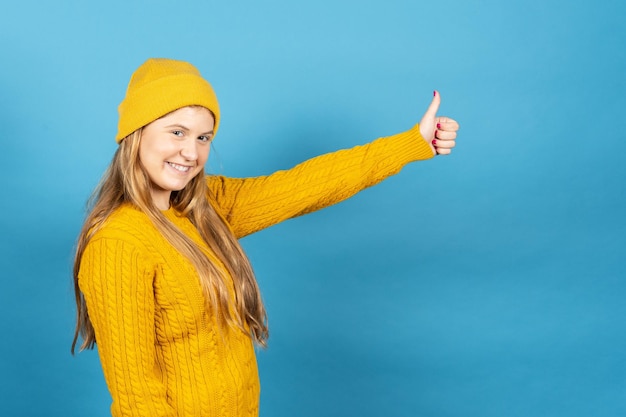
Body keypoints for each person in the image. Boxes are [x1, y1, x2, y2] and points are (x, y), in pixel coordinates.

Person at [71, 58, 459, 417]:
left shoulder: (208, 208)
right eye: (177, 132)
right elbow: (137, 398)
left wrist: (410, 145)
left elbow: (305, 186)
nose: (190, 152)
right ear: (136, 134)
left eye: (204, 138)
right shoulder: (118, 244)